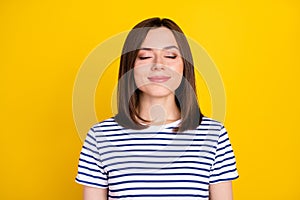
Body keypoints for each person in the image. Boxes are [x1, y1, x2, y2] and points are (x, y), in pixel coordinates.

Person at [75, 17, 239, 200]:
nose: (158, 64)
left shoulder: (214, 135)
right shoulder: (100, 137)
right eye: (145, 56)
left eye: (170, 56)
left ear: (184, 65)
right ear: (130, 65)